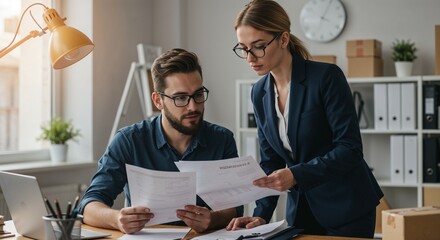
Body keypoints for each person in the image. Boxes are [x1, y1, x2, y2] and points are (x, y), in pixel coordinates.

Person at [226, 0, 383, 238]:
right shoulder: (259, 92)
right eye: (243, 48)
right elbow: (271, 161)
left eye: (258, 46)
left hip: (346, 207)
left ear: (284, 39)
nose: (250, 57)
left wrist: (296, 175)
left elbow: (349, 149)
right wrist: (261, 214)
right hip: (301, 211)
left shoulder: (326, 77)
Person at [78, 48, 243, 234]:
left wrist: (212, 219)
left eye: (198, 95)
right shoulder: (128, 141)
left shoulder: (222, 140)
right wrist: (117, 220)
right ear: (158, 101)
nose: (193, 106)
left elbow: (235, 208)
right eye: (180, 98)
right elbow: (89, 205)